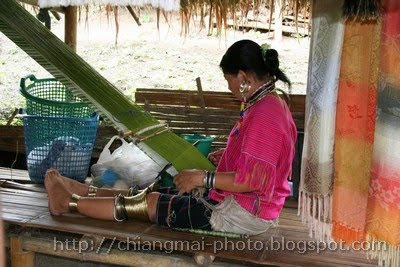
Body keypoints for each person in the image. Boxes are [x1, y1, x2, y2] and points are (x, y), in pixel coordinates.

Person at [45, 39, 297, 234]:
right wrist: (228, 156)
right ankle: (82, 190)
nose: (229, 88)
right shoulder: (271, 103)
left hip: (241, 214)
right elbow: (264, 161)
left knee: (149, 203)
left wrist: (202, 177)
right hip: (242, 204)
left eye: (228, 80)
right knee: (156, 190)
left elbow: (254, 179)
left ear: (242, 77)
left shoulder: (265, 112)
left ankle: (67, 203)